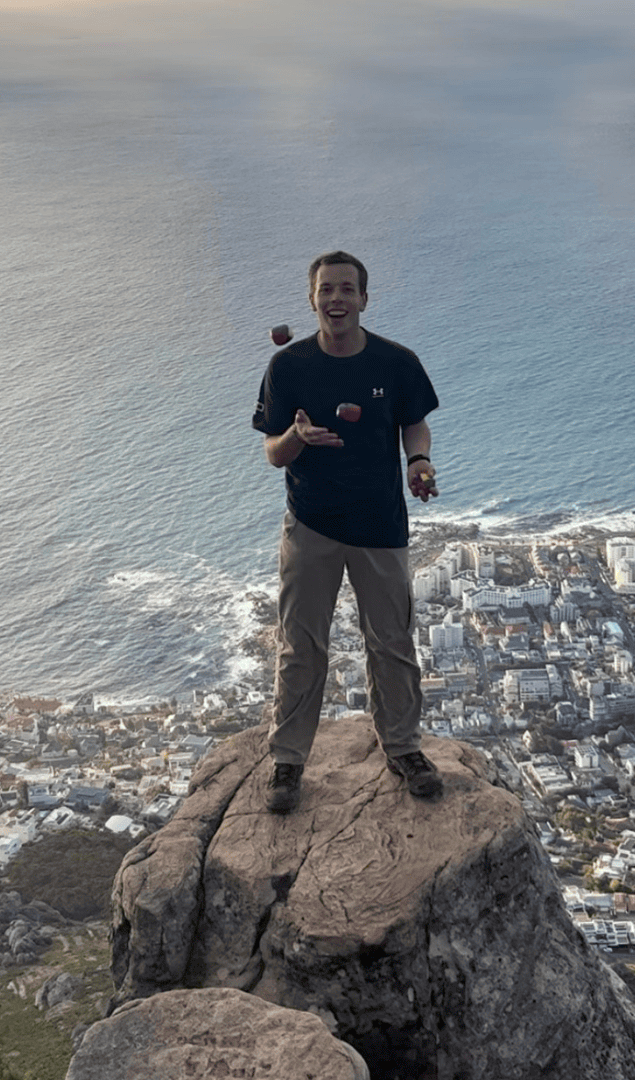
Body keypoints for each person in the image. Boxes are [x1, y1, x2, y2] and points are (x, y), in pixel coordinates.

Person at [250, 252, 442, 814]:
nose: (336, 298)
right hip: (310, 525)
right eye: (326, 289)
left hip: (381, 524)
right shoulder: (287, 368)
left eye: (347, 289)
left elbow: (415, 422)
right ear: (312, 300)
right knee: (301, 646)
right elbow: (271, 453)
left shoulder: (396, 362)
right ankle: (287, 761)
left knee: (393, 643)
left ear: (364, 298)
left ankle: (403, 749)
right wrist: (296, 438)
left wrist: (418, 462)